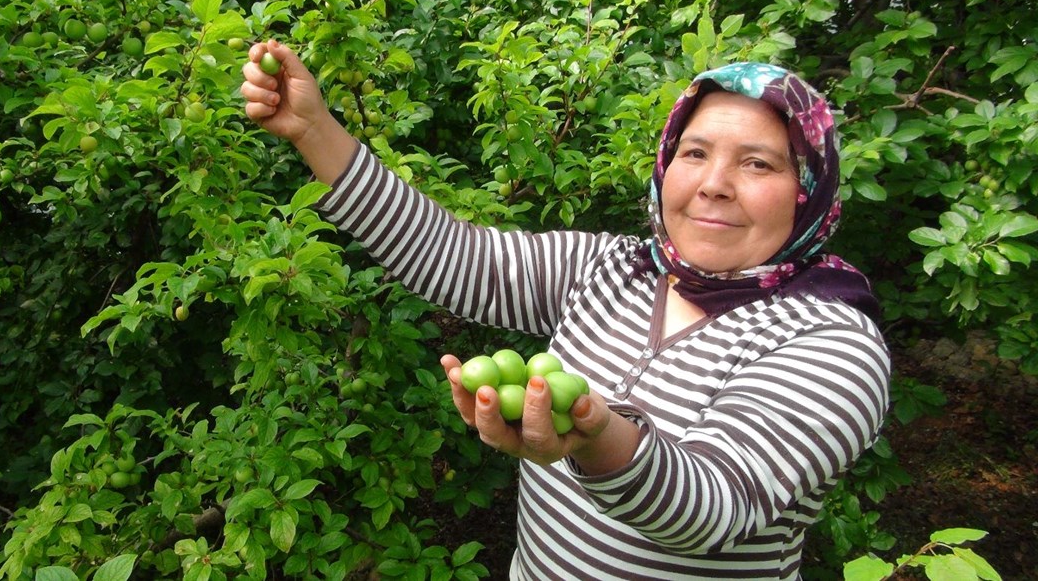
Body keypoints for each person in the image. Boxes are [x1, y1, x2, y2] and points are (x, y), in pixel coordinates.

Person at [241, 41, 890, 580]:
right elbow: (455, 258)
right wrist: (314, 129)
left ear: (809, 191)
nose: (714, 183)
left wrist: (596, 436)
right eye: (695, 153)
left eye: (758, 163)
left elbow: (713, 509)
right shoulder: (614, 268)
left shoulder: (832, 342)